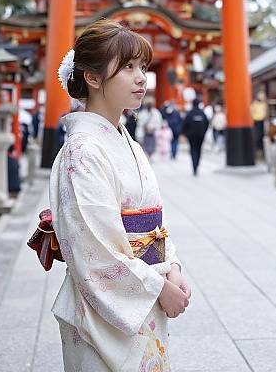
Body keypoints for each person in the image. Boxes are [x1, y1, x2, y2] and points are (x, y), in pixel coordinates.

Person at [50, 19, 190, 372]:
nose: (142, 77)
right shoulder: (82, 152)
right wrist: (159, 288)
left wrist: (171, 265)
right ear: (93, 78)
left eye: (143, 67)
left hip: (145, 290)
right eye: (128, 67)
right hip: (106, 310)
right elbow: (93, 248)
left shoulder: (126, 142)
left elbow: (153, 222)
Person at [181, 98, 209, 176]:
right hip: (200, 135)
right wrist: (204, 131)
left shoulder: (190, 113)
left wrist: (184, 133)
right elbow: (207, 123)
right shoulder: (202, 113)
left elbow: (185, 123)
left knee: (193, 149)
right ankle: (197, 165)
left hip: (191, 135)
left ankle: (194, 166)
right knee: (199, 150)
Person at [250, 91, 268, 156]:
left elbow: (265, 112)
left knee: (262, 135)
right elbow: (252, 111)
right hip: (256, 121)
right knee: (257, 135)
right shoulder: (255, 104)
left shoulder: (264, 104)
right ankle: (257, 150)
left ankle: (261, 150)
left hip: (262, 121)